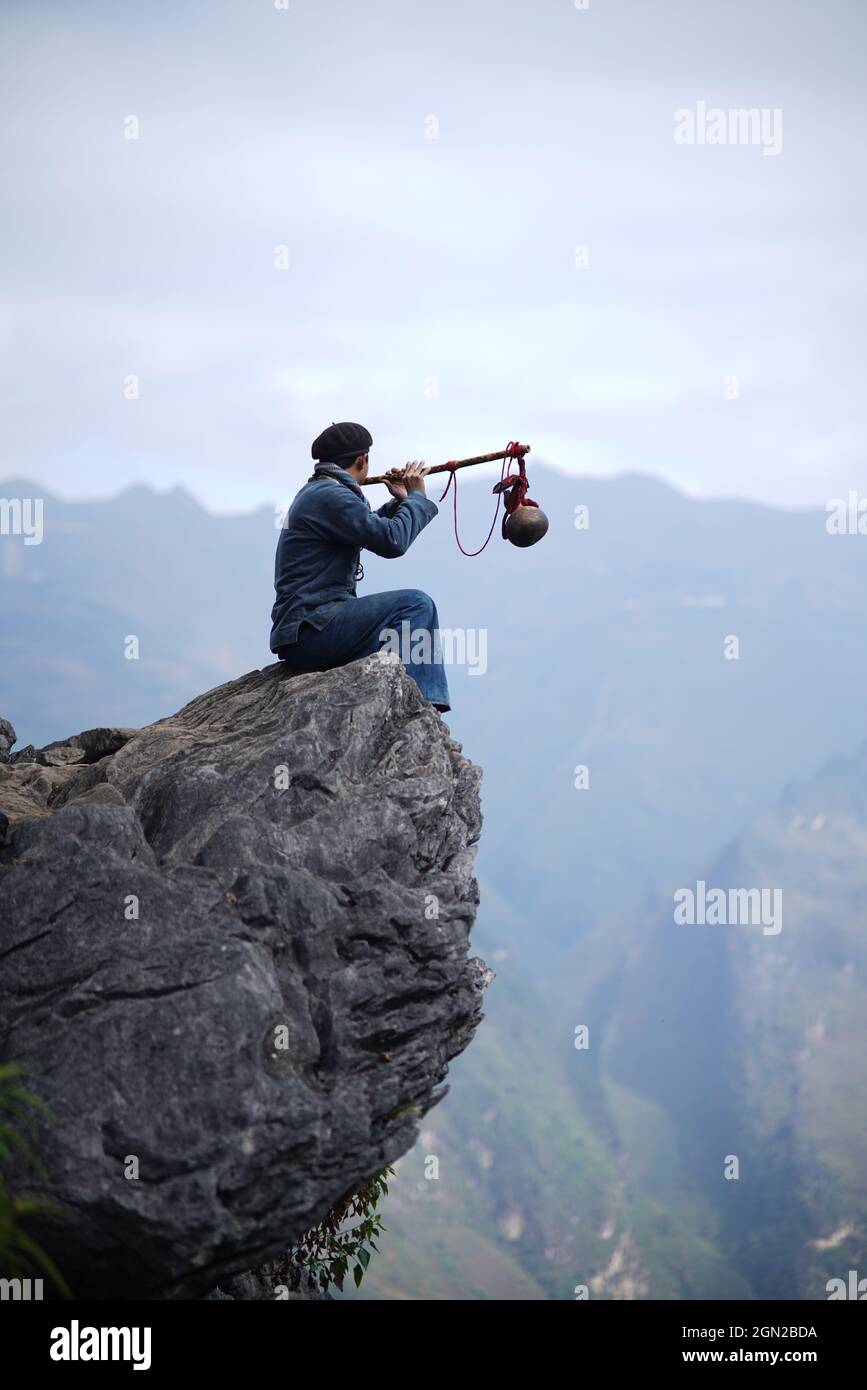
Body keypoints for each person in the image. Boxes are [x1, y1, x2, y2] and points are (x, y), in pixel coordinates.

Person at [270, 421, 450, 712]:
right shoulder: (330, 496)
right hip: (313, 630)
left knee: (399, 628)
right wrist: (417, 497)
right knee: (416, 605)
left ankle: (404, 699)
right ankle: (422, 707)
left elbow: (367, 527)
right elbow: (392, 540)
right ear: (362, 460)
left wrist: (399, 502)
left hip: (310, 630)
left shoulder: (321, 492)